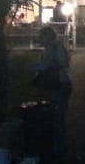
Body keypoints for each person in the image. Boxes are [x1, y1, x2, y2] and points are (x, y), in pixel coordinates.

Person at [28, 26, 72, 155]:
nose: (39, 39)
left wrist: (29, 68)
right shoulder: (58, 46)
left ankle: (57, 146)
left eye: (41, 37)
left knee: (56, 116)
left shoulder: (52, 48)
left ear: (47, 37)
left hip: (57, 84)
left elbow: (46, 64)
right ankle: (60, 144)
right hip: (63, 83)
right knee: (59, 116)